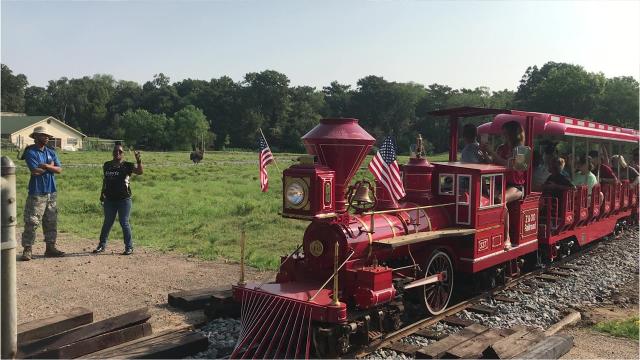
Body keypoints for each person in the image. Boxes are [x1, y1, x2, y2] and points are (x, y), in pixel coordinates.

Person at [20, 126, 65, 261]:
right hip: (37, 192)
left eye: (47, 136)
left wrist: (45, 166)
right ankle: (27, 249)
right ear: (36, 137)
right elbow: (35, 171)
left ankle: (50, 248)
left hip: (51, 192)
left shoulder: (51, 151)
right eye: (43, 135)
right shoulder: (30, 152)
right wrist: (50, 167)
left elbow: (59, 169)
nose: (46, 137)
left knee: (51, 221)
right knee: (32, 221)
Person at [481, 120, 526, 249]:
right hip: (499, 183)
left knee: (500, 199)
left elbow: (510, 166)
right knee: (484, 200)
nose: (503, 135)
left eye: (505, 133)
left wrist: (492, 152)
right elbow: (493, 163)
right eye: (503, 133)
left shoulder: (522, 150)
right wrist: (484, 152)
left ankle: (507, 238)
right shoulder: (501, 148)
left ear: (514, 133)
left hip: (516, 186)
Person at [93, 143, 143, 255]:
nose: (117, 153)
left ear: (123, 153)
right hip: (109, 199)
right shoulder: (107, 165)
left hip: (124, 200)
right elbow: (105, 180)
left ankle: (129, 247)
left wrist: (139, 161)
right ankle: (101, 245)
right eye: (115, 151)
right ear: (112, 153)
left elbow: (140, 172)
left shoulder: (127, 165)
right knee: (107, 222)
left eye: (120, 151)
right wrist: (102, 194)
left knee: (124, 222)